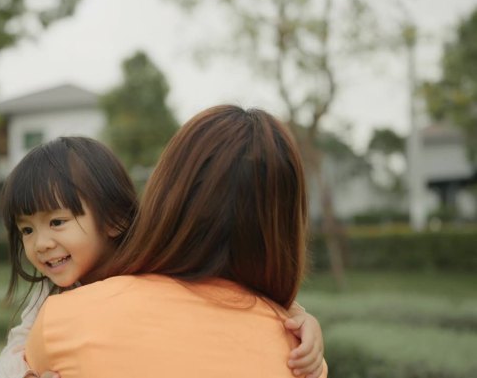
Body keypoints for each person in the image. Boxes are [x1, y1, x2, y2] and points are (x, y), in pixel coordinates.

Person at [23, 106, 327, 378]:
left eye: (57, 222)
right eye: (26, 230)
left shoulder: (60, 324)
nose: (42, 243)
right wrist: (295, 317)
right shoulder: (299, 358)